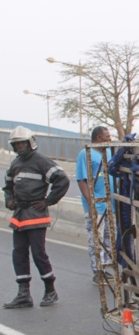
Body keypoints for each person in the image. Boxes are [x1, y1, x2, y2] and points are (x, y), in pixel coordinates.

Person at [2, 126, 70, 308]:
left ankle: (50, 290)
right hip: (19, 215)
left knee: (38, 254)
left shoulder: (41, 161)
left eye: (22, 143)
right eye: (16, 144)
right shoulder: (15, 163)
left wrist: (48, 201)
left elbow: (62, 179)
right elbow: (7, 185)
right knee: (19, 254)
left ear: (30, 142)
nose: (20, 147)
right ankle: (23, 294)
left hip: (36, 213)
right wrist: (9, 200)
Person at [77, 126, 114, 284]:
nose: (109, 138)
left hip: (110, 203)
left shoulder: (109, 152)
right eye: (107, 136)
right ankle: (97, 271)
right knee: (95, 238)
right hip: (96, 204)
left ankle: (105, 267)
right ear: (98, 138)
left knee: (109, 238)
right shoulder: (85, 154)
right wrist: (90, 201)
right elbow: (81, 179)